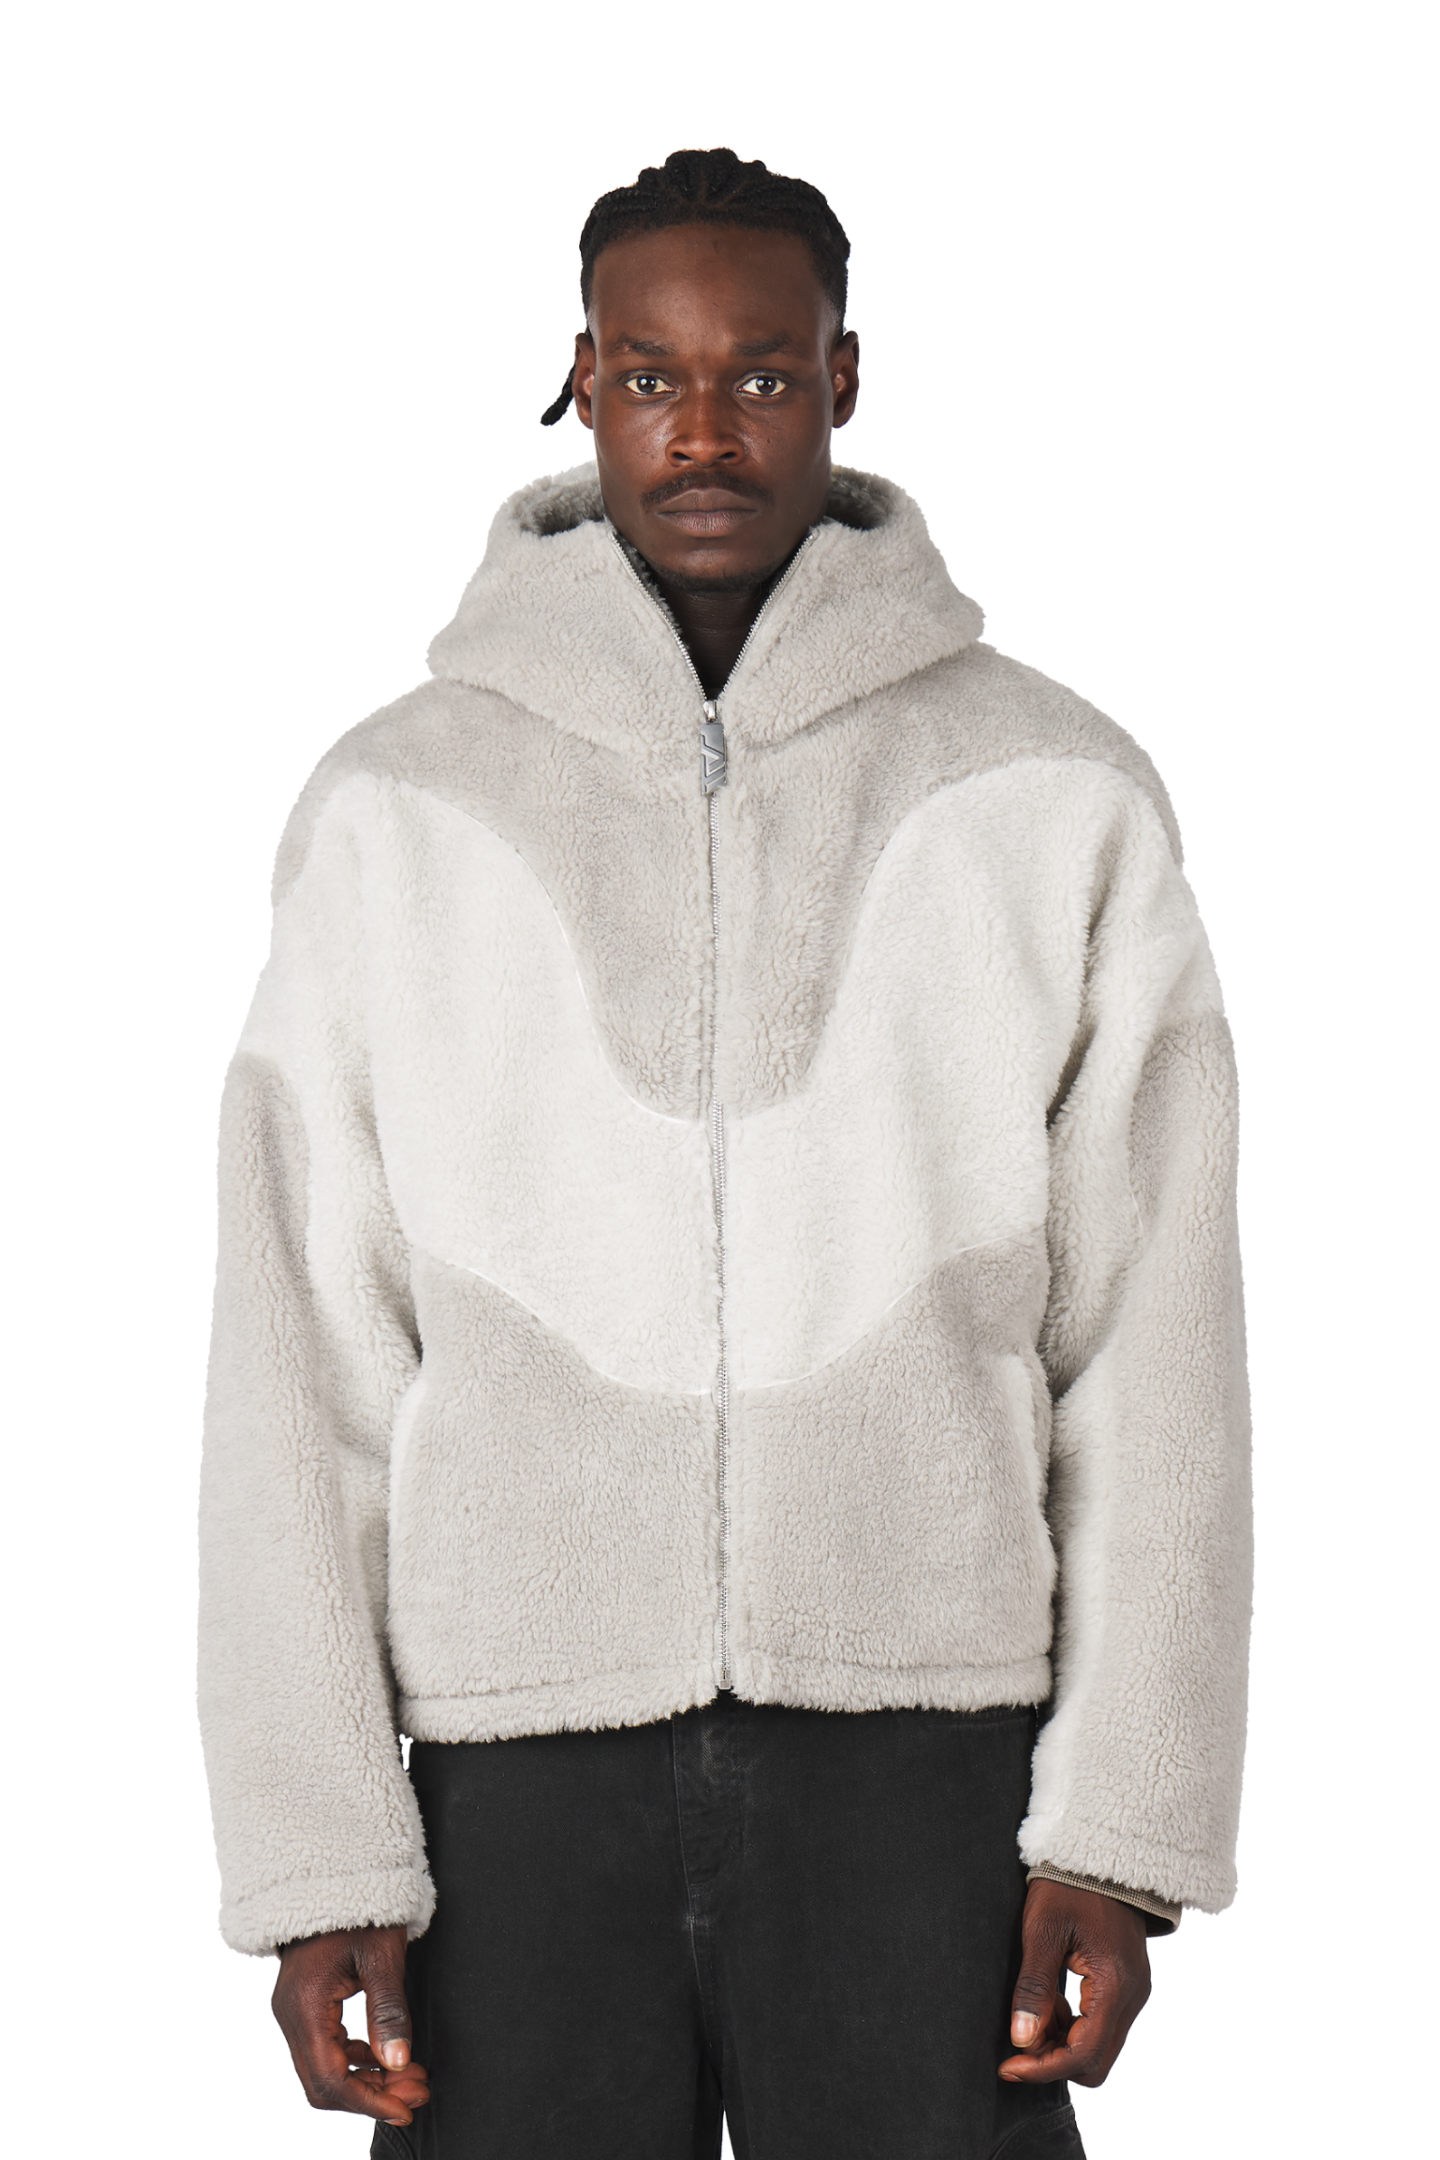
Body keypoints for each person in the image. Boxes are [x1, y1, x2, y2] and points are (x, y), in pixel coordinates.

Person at [196, 147, 1254, 2159]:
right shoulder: (395, 807)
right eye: (653, 376)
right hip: (504, 1779)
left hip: (929, 1760)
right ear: (581, 382)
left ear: (841, 379)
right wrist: (317, 1855)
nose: (704, 429)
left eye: (762, 374)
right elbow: (297, 1363)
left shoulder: (1051, 793)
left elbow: (1157, 1352)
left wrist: (1120, 1832)